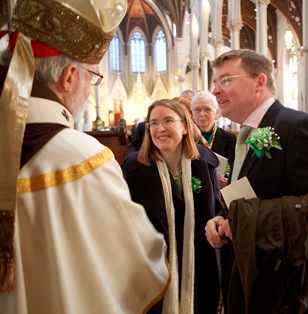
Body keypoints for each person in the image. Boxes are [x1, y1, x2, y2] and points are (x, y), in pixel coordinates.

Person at [0, 0, 169, 313]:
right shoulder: (85, 160)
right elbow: (134, 264)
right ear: (69, 76)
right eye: (92, 77)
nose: (89, 90)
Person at [205, 49, 308, 313]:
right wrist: (223, 217)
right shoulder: (246, 134)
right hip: (257, 274)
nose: (215, 90)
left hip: (292, 287)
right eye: (214, 82)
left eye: (225, 80)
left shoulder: (297, 127)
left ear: (259, 83)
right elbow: (250, 194)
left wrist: (242, 222)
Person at [121, 99, 224, 313]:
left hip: (199, 262)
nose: (160, 129)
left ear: (185, 126)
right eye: (154, 123)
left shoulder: (204, 161)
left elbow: (217, 206)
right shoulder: (134, 168)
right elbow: (124, 222)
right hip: (155, 266)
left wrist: (220, 220)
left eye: (168, 121)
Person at [191, 91, 236, 188]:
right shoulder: (187, 138)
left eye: (207, 109)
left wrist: (228, 182)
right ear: (192, 114)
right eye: (197, 110)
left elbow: (236, 169)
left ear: (216, 113)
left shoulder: (230, 139)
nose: (202, 114)